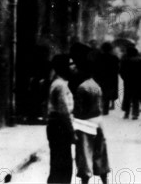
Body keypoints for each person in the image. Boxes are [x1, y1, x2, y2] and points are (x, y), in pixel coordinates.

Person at [71, 45, 110, 184]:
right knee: (100, 149)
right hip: (97, 118)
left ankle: (85, 179)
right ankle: (104, 178)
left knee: (84, 151)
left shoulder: (78, 78)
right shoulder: (94, 79)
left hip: (84, 120)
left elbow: (78, 107)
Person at [46, 54, 75, 184]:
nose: (73, 67)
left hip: (55, 126)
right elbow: (64, 112)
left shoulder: (58, 82)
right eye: (70, 64)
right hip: (60, 126)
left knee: (57, 164)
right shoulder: (61, 85)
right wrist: (72, 131)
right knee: (63, 166)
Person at [94, 42, 120, 115]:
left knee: (102, 92)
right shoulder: (114, 58)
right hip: (111, 78)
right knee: (108, 93)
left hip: (101, 77)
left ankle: (102, 106)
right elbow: (117, 69)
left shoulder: (99, 57)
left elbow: (95, 68)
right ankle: (105, 109)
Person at [120, 46, 141, 120]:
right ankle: (135, 114)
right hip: (138, 81)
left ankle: (126, 113)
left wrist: (124, 78)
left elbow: (121, 71)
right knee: (136, 98)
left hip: (128, 81)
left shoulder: (125, 60)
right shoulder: (139, 60)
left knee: (127, 97)